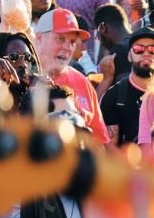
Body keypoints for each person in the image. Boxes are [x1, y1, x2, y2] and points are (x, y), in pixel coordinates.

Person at [34, 8, 109, 144]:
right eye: (60, 39)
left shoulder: (82, 82)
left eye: (72, 42)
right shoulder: (22, 78)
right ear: (39, 38)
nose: (67, 48)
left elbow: (99, 142)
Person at [101, 26, 154, 146]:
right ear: (129, 55)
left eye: (152, 49)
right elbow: (110, 149)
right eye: (138, 49)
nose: (146, 53)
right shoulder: (114, 97)